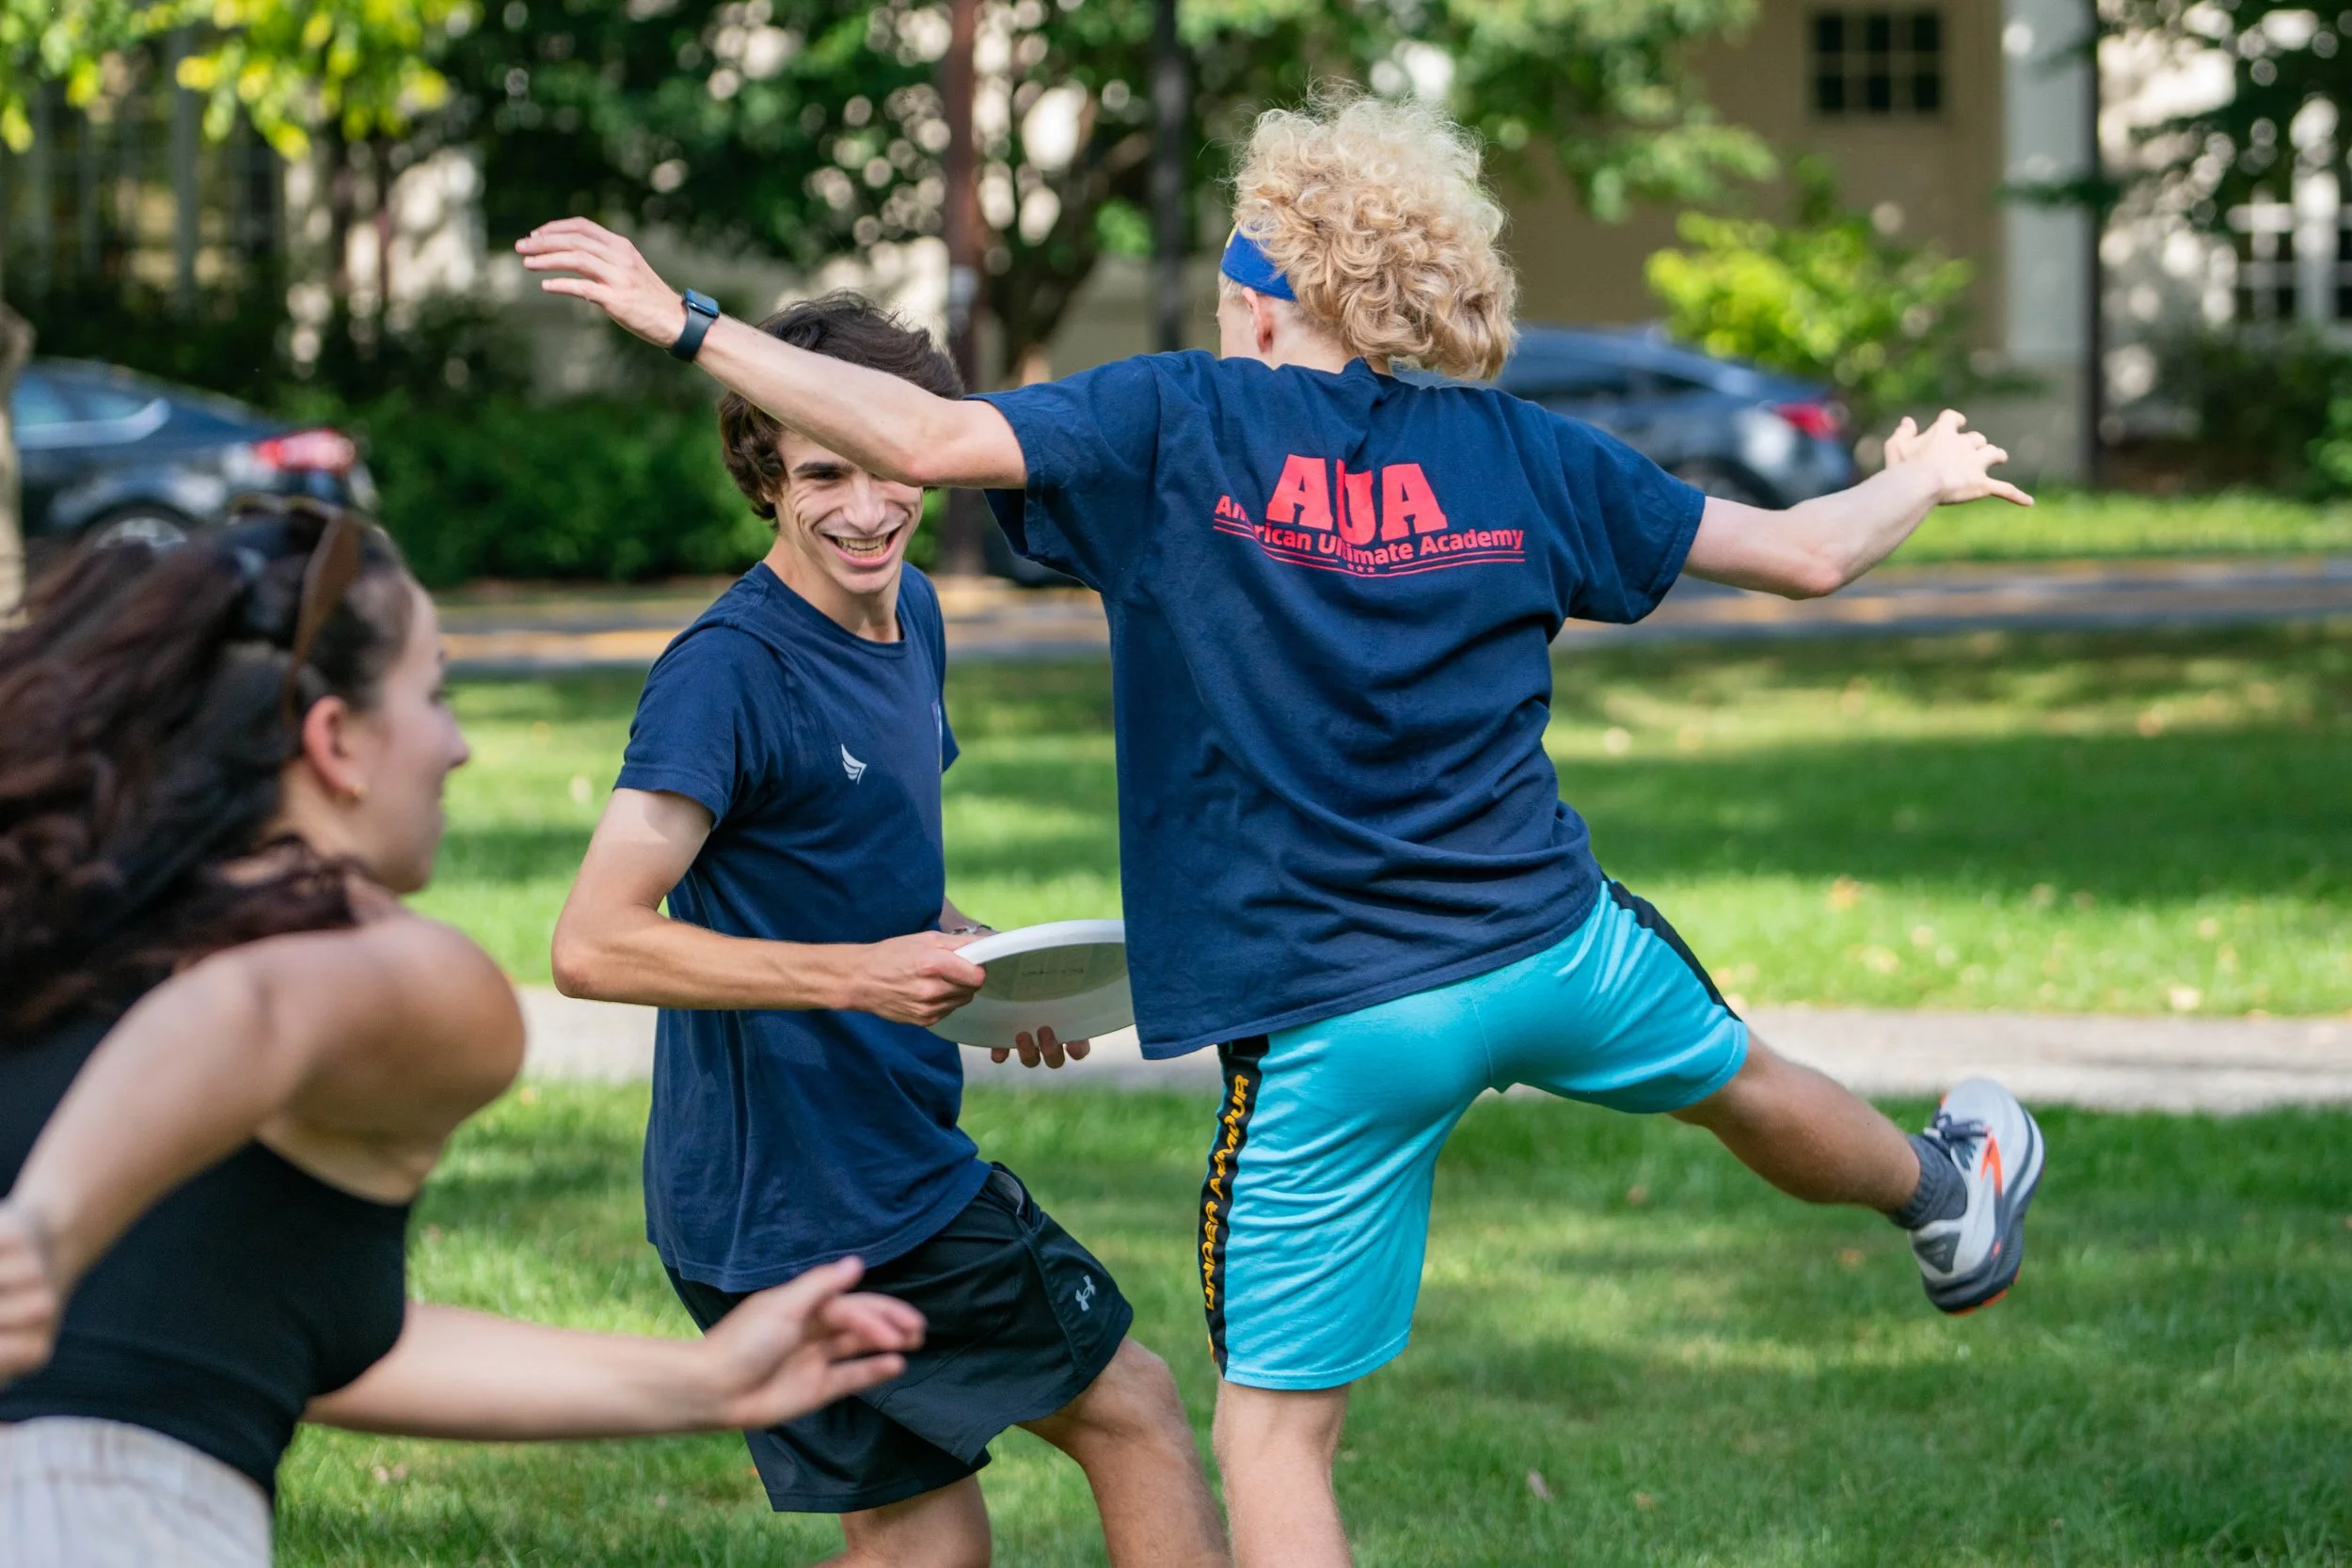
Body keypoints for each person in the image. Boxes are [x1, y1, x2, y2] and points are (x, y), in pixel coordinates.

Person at [516, 90, 2046, 1568]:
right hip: (1553, 947)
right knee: (1742, 1076)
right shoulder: (1520, 450)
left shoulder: (1176, 420)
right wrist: (1913, 476)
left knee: (1271, 1440)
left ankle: (1945, 1191)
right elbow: (1803, 554)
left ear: (1257, 290)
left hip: (1337, 1018)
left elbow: (919, 434)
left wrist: (691, 323)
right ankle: (1945, 1196)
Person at [0, 499, 925, 1568]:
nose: (458, 744)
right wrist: (43, 1235)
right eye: (432, 693)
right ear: (336, 740)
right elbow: (249, 1014)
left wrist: (709, 1381)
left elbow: (319, 1348)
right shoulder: (403, 973)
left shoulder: (49, 927)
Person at [547, 296, 1228, 1568]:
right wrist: (858, 978)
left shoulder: (912, 611)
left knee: (926, 1548)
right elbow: (592, 941)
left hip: (805, 1180)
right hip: (824, 1192)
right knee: (1133, 1407)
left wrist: (989, 972)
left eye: (889, 468)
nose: (865, 507)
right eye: (821, 473)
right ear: (764, 475)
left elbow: (871, 881)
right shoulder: (727, 672)